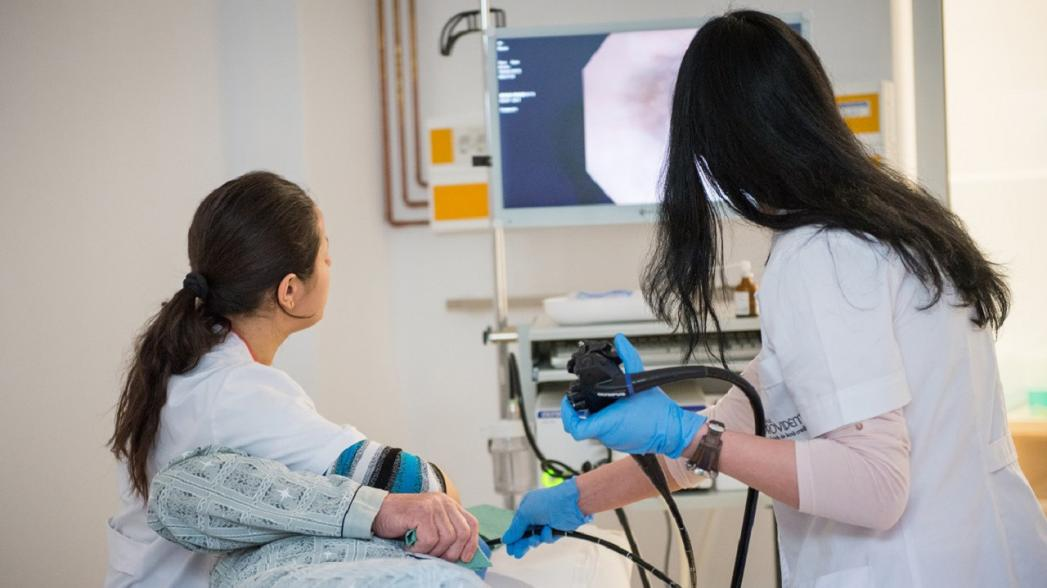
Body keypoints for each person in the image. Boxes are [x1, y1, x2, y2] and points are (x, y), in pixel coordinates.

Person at [502, 10, 1047, 587]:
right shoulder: (894, 224)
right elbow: (727, 429)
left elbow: (876, 485)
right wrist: (577, 498)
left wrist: (686, 434)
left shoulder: (822, 253)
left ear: (716, 143)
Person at [105, 171, 478, 587]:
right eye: (325, 254)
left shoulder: (183, 358)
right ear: (289, 291)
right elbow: (426, 487)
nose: (331, 265)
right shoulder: (242, 394)